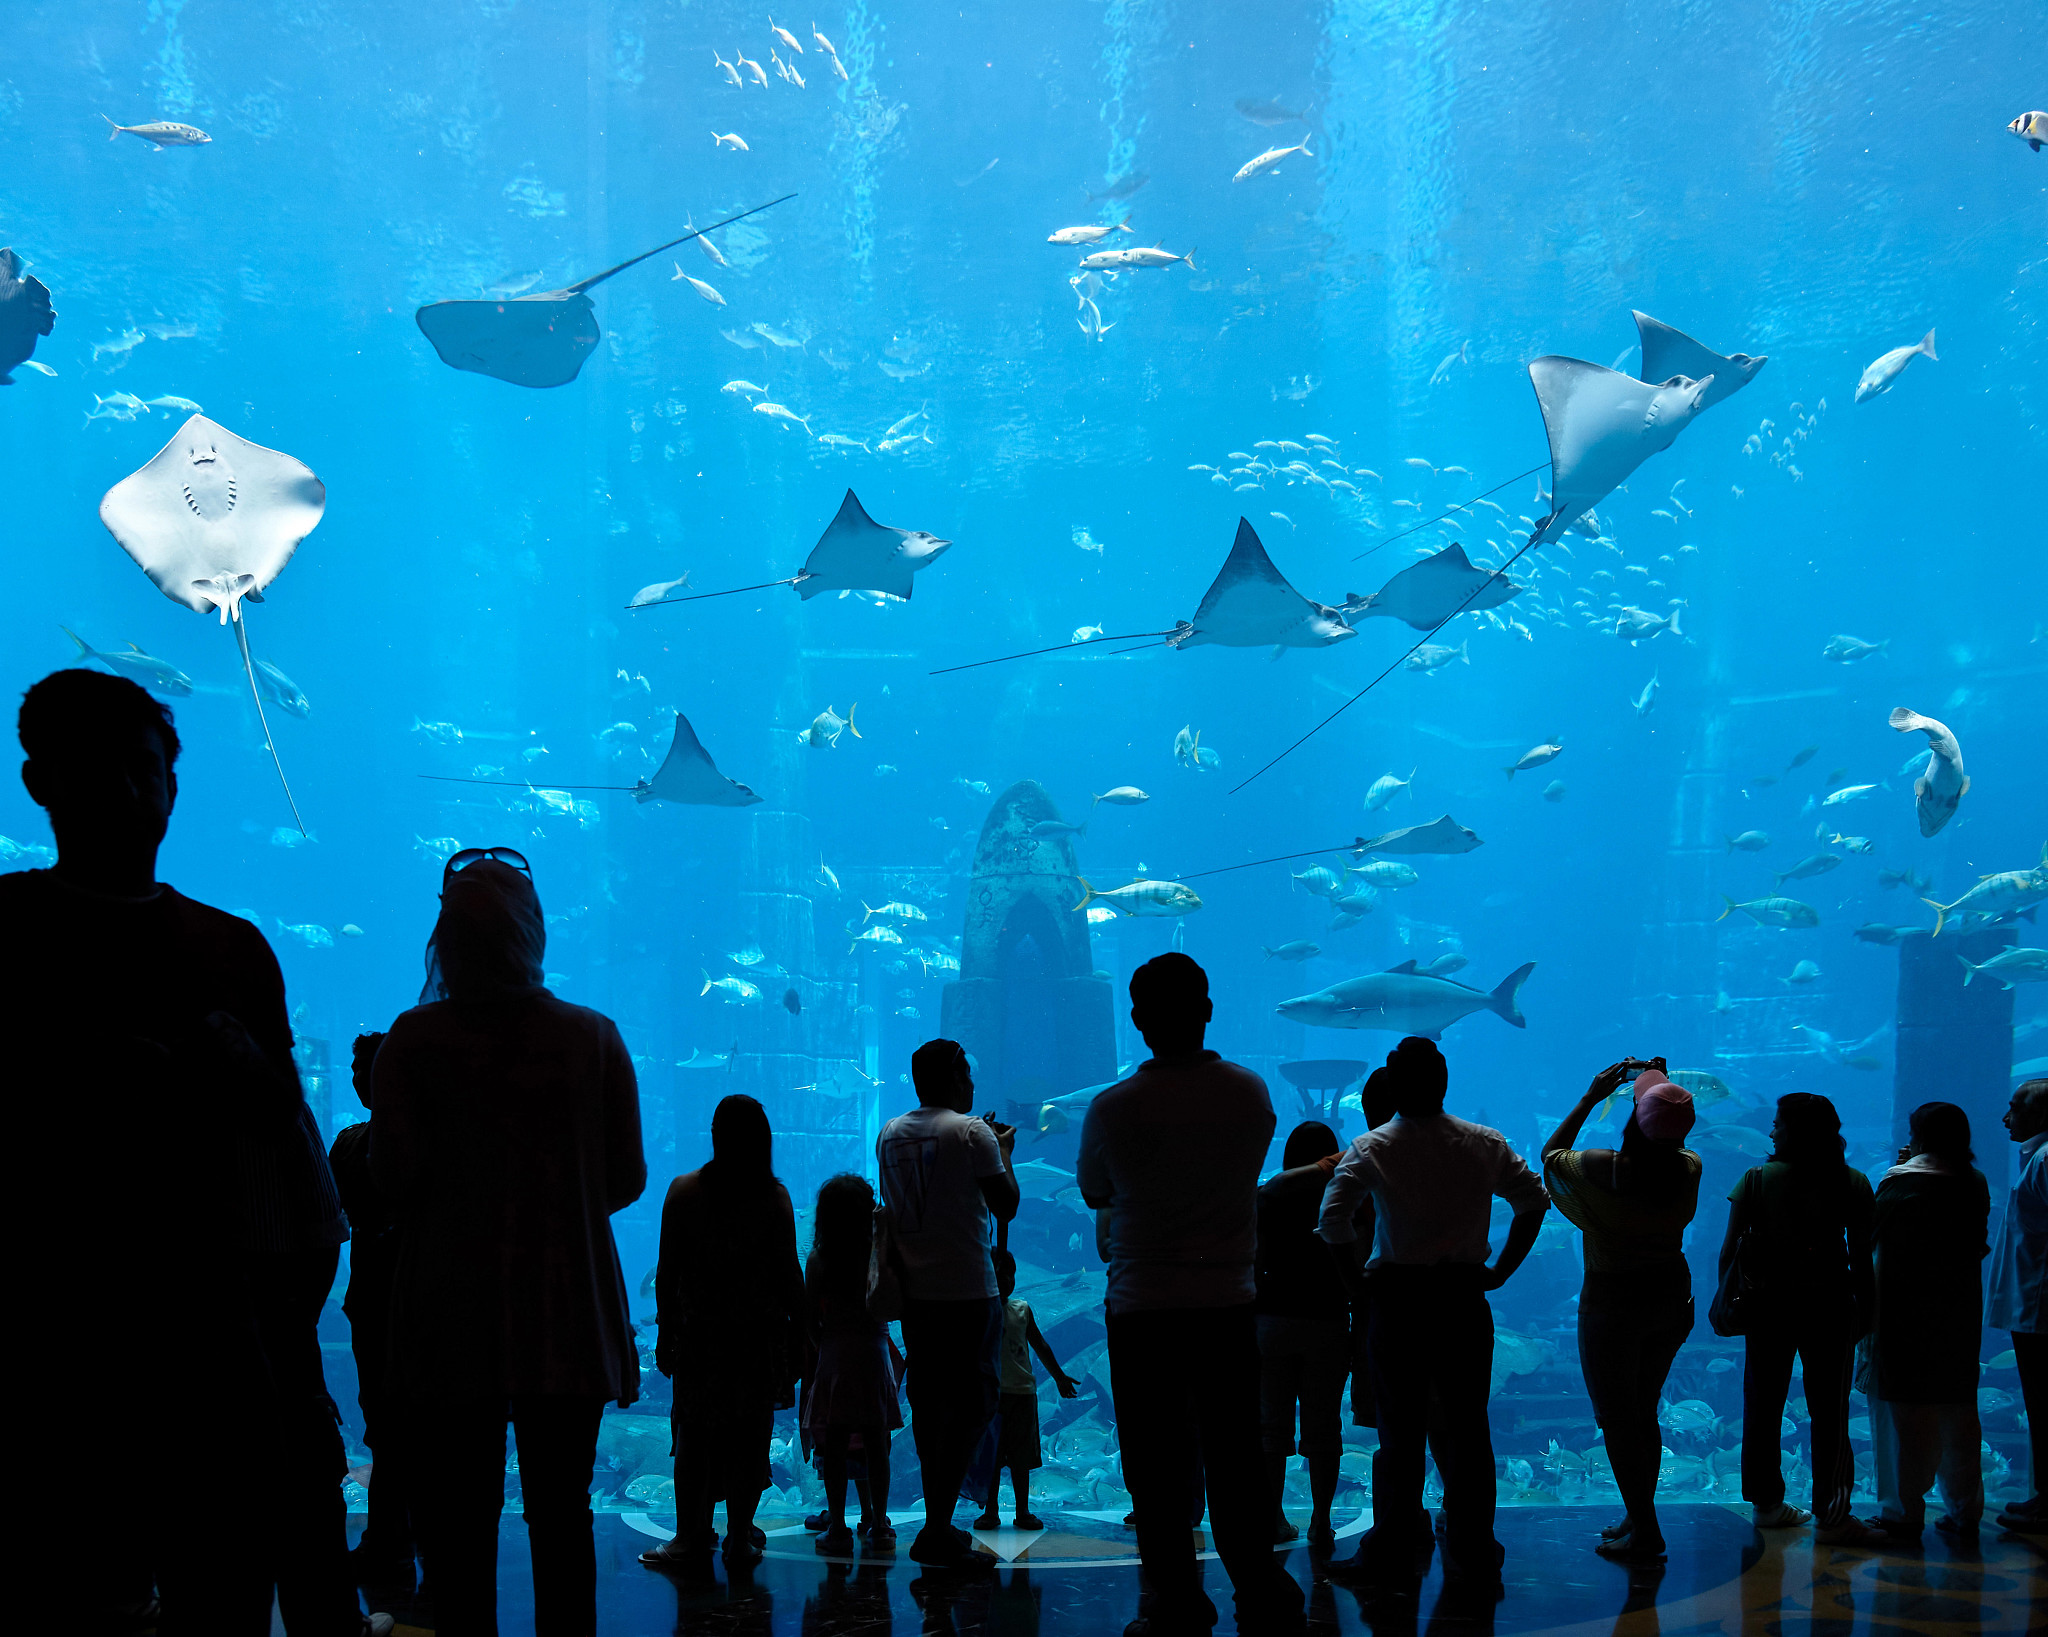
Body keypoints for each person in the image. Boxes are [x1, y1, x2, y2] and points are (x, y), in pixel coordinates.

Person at [3, 670, 387, 1637]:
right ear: (40, 780)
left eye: (148, 771)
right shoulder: (6, 935)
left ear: (174, 782)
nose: (134, 796)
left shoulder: (232, 951)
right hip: (49, 1346)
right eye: (104, 771)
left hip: (215, 1345)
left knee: (217, 1591)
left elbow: (294, 1173)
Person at [371, 850, 646, 1637]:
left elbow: (391, 1178)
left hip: (448, 1316)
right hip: (567, 1309)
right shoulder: (594, 1038)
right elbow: (626, 1178)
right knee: (563, 1520)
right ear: (534, 931)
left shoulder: (413, 1043)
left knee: (458, 1532)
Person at [1077, 953, 1305, 1637]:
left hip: (1143, 1304)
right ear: (1207, 1009)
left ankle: (1176, 1597)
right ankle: (1259, 1583)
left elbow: (1096, 1191)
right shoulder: (1249, 1093)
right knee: (1235, 1452)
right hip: (1229, 1301)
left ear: (1138, 1019)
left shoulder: (1113, 1107)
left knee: (1154, 1462)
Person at [1316, 1036, 1549, 1597]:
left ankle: (1392, 1549)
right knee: (1469, 1429)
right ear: (1444, 1081)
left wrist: (1355, 1286)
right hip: (1463, 1298)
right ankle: (1477, 1552)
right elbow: (1533, 1201)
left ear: (1393, 1086)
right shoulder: (1484, 1142)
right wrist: (1501, 1271)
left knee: (1400, 1432)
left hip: (1396, 1299)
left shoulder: (1371, 1146)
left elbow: (1333, 1219)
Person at [1540, 1059, 1702, 1564]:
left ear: (1633, 1120)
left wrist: (1590, 1098)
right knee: (1644, 1411)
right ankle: (1639, 1512)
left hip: (1614, 1302)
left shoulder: (1602, 1167)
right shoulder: (1688, 1166)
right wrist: (1658, 1083)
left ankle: (1648, 1531)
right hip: (1670, 1297)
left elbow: (1551, 1157)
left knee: (1617, 1418)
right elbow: (1665, 1125)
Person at [644, 1094, 806, 1571]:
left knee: (693, 1435)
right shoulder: (773, 1198)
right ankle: (738, 1536)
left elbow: (667, 1274)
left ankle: (689, 1536)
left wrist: (665, 1332)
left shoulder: (684, 1191)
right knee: (749, 1436)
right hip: (757, 1341)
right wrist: (801, 1339)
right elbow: (788, 1277)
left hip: (702, 1340)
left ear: (715, 1135)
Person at [875, 1038, 1020, 1568]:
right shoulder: (972, 1131)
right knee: (975, 1401)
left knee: (932, 1403)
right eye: (967, 1072)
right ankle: (939, 1524)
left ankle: (937, 1522)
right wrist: (1003, 1152)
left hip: (916, 1296)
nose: (972, 1083)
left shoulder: (890, 1133)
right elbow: (1006, 1205)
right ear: (954, 1078)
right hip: (968, 1291)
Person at [1718, 1091, 1880, 1546]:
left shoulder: (1754, 1180)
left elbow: (1730, 1250)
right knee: (1831, 1411)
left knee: (1763, 1404)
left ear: (1795, 1131)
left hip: (1768, 1308)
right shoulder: (1853, 1182)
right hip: (1831, 1309)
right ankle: (1833, 1514)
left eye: (1778, 1123)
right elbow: (1862, 1259)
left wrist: (1727, 1300)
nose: (1771, 1131)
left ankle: (1767, 1505)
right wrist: (1866, 1314)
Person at [1862, 1101, 1990, 1540]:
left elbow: (1871, 1238)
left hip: (1902, 1310)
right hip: (1957, 1312)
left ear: (1918, 1134)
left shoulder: (1899, 1182)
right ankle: (1964, 1509)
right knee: (1958, 1411)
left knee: (1902, 1414)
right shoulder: (1974, 1181)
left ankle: (1901, 1510)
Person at [329, 1031, 420, 1589]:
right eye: (357, 1070)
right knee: (390, 1421)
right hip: (385, 1299)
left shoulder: (350, 1145)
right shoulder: (356, 1144)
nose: (359, 1079)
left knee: (391, 1422)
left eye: (366, 1070)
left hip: (391, 1297)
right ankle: (402, 1537)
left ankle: (390, 1540)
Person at [1253, 1120, 1351, 1549]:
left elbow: (1253, 1257)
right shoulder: (1343, 1192)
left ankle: (1272, 1518)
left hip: (1272, 1318)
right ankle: (1321, 1521)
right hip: (1329, 1319)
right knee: (1324, 1425)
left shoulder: (1272, 1194)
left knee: (1270, 1426)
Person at [801, 1173, 903, 1555]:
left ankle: (839, 1527)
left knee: (837, 1444)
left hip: (836, 1356)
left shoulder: (819, 1260)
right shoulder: (876, 1254)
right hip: (874, 1354)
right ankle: (879, 1524)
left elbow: (809, 1317)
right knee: (878, 1444)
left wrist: (825, 1346)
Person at [974, 1247, 1081, 1531]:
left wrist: (1059, 1376)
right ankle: (991, 1510)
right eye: (999, 1273)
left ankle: (1023, 1511)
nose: (1005, 1278)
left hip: (1022, 1393)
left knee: (1021, 1459)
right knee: (993, 1459)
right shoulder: (981, 1310)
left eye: (1009, 1273)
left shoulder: (1022, 1309)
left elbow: (1040, 1345)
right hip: (992, 1395)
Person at [1988, 1078, 2048, 1535]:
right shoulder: (2035, 1158)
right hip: (2032, 1306)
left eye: (2015, 1108)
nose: (2006, 1118)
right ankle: (2042, 1498)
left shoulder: (2046, 1160)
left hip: (2042, 1309)